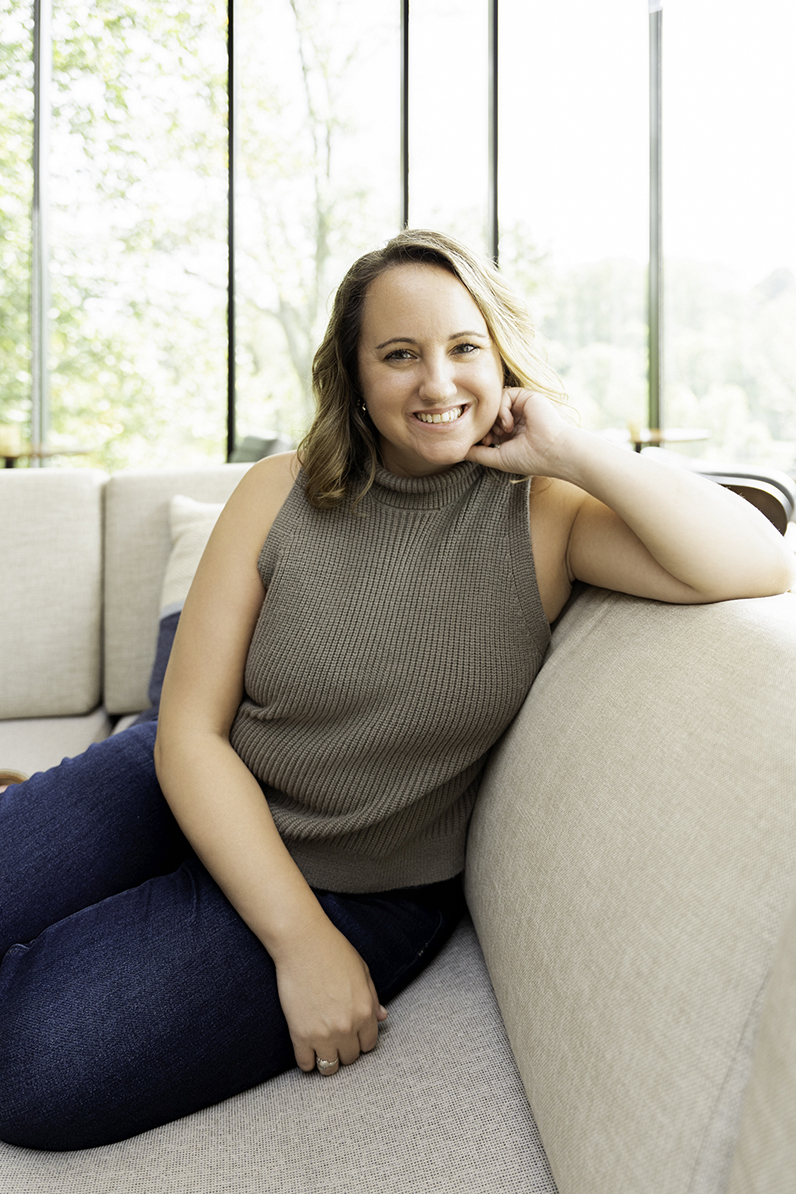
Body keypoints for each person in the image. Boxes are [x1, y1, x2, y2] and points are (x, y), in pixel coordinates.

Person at [1, 230, 793, 1151]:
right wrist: (294, 947)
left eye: (465, 348)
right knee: (151, 731)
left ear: (502, 357)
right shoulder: (276, 491)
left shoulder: (549, 520)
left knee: (35, 1073)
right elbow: (190, 737)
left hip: (358, 883)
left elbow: (759, 563)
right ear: (356, 372)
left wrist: (574, 449)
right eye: (400, 354)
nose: (438, 383)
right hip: (181, 783)